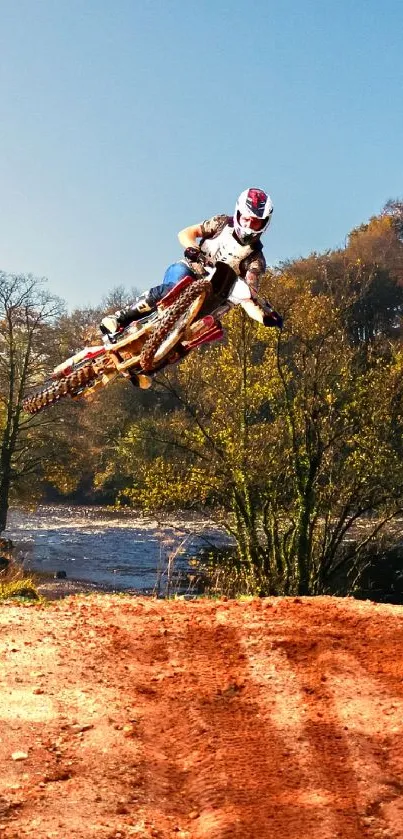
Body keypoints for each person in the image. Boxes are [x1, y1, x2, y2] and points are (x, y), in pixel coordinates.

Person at [100, 188, 283, 337]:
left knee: (206, 331)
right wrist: (192, 249)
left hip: (214, 297)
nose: (249, 226)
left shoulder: (256, 260)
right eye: (246, 219)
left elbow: (248, 298)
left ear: (264, 224)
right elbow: (186, 233)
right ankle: (120, 318)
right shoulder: (220, 224)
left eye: (256, 223)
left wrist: (264, 318)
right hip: (191, 270)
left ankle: (154, 362)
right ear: (238, 214)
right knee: (173, 288)